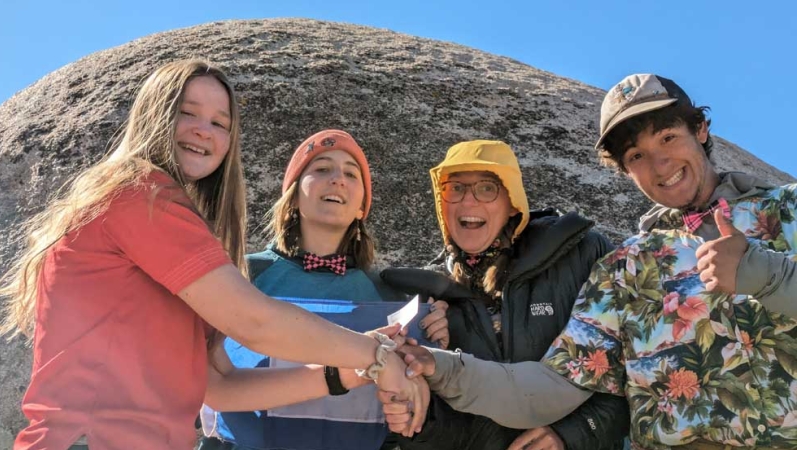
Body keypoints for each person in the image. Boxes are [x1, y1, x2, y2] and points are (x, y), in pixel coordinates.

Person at [0, 60, 424, 450]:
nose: (204, 130)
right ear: (153, 116)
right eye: (188, 113)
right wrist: (375, 356)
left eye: (220, 122)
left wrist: (352, 370)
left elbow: (220, 386)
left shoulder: (167, 218)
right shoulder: (138, 198)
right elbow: (254, 322)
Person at [384, 74, 797, 450]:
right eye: (636, 155)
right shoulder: (624, 266)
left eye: (668, 137)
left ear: (701, 129)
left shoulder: (788, 210)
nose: (659, 164)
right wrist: (442, 367)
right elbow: (550, 387)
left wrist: (768, 276)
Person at [196, 129, 449, 450]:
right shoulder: (241, 273)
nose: (337, 179)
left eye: (350, 173)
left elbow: (404, 406)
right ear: (293, 194)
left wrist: (435, 344)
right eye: (321, 169)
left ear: (362, 206)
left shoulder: (390, 295)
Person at [384, 140, 629, 450]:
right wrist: (415, 416)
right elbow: (444, 429)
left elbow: (633, 369)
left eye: (487, 188)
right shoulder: (425, 297)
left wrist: (574, 432)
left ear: (513, 201)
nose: (468, 201)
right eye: (455, 188)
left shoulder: (580, 254)